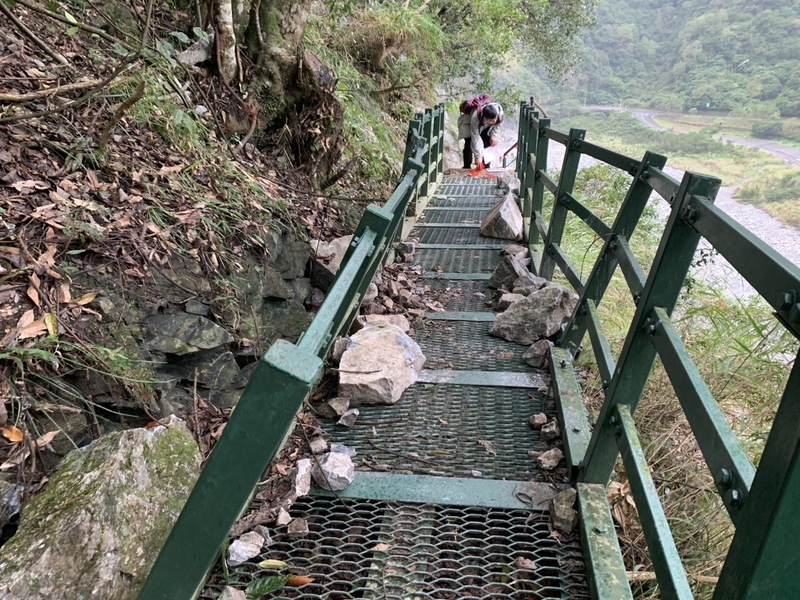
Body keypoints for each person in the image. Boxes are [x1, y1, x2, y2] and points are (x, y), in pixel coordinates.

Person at [458, 100, 504, 169]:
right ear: (486, 118)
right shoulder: (476, 116)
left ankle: (486, 166)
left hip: (484, 126)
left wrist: (493, 136)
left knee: (488, 142)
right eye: (491, 120)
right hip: (469, 124)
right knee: (469, 143)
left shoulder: (500, 114)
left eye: (495, 119)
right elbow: (475, 136)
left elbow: (497, 125)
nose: (494, 121)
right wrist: (478, 156)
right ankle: (466, 167)